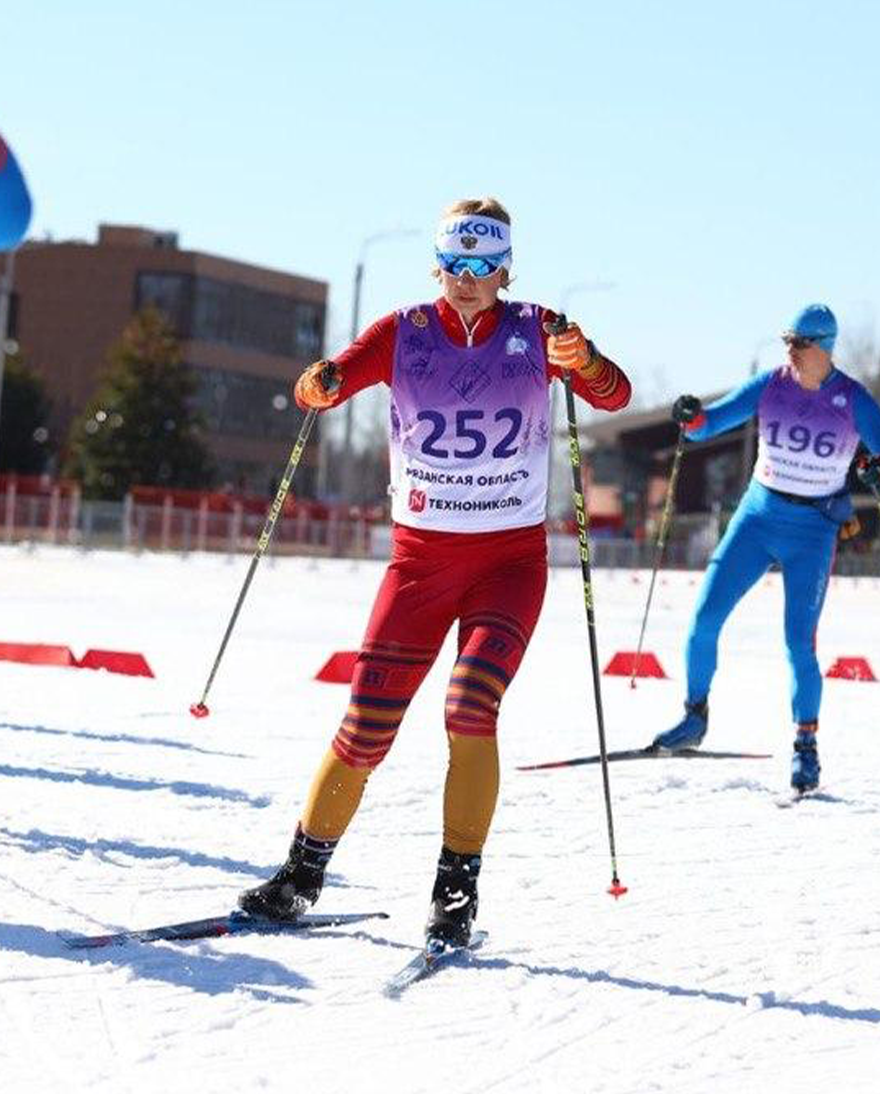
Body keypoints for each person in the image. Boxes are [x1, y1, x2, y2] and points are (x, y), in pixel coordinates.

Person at [236, 198, 631, 948]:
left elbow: (614, 394)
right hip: (419, 565)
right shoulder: (404, 332)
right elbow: (324, 383)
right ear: (437, 265)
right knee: (364, 726)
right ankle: (300, 877)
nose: (468, 279)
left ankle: (455, 893)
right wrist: (317, 383)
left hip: (508, 566)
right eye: (455, 264)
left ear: (506, 268)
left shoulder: (538, 330)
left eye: (484, 266)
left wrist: (586, 361)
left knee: (469, 709)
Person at [649, 304, 880, 795]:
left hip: (812, 531)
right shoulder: (771, 385)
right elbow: (709, 424)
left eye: (799, 343)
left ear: (824, 347)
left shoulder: (852, 400)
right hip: (758, 517)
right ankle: (693, 717)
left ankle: (806, 747)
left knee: (798, 642)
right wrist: (690, 416)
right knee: (705, 619)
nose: (790, 351)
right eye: (786, 341)